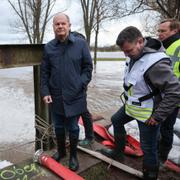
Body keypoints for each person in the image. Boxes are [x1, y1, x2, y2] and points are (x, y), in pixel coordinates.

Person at [100, 26, 180, 179]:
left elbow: (175, 92)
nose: (126, 54)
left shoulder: (156, 63)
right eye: (124, 51)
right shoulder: (134, 54)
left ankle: (150, 174)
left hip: (148, 113)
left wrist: (158, 116)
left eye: (128, 51)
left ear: (140, 42)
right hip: (132, 107)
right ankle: (118, 153)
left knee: (148, 148)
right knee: (116, 120)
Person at [40, 13, 93, 171]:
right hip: (55, 96)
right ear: (54, 27)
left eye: (63, 23)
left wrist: (80, 83)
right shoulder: (49, 47)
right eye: (57, 24)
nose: (60, 26)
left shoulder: (81, 44)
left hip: (75, 95)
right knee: (58, 127)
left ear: (69, 25)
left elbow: (88, 68)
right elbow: (44, 73)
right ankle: (62, 152)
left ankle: (73, 156)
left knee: (74, 127)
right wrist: (45, 92)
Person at [158, 19, 180, 166]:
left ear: (174, 31)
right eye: (158, 31)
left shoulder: (178, 47)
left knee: (166, 128)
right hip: (160, 96)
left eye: (163, 31)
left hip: (172, 99)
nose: (159, 34)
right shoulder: (164, 47)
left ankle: (162, 158)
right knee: (159, 127)